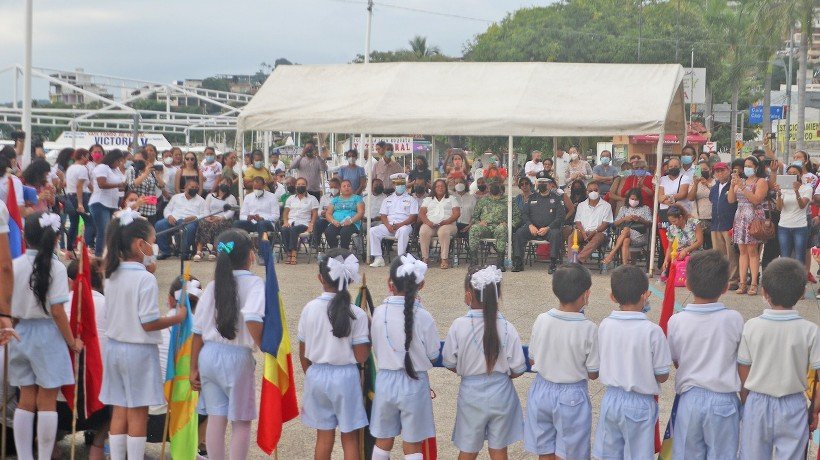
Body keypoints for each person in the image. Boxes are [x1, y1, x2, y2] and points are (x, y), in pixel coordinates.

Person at [100, 211, 186, 459]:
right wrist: (176, 318)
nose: (154, 246)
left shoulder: (111, 275)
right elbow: (148, 322)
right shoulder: (145, 279)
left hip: (115, 348)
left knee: (119, 409)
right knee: (138, 411)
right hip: (137, 352)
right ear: (140, 245)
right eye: (152, 240)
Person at [187, 230, 262, 460]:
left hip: (208, 356)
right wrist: (265, 344)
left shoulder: (211, 286)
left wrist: (192, 368)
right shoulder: (255, 283)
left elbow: (197, 332)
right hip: (237, 358)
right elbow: (253, 317)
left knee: (216, 417)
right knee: (240, 421)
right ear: (250, 255)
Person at [10, 212, 79, 460]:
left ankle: (25, 456)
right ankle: (44, 455)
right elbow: (59, 311)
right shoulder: (56, 268)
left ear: (25, 237)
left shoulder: (15, 265)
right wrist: (72, 341)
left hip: (19, 334)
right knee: (47, 400)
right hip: (48, 335)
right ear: (55, 237)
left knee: (25, 398)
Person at [738, 258, 820, 458]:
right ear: (801, 294)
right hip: (793, 404)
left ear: (765, 292)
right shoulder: (810, 330)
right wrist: (815, 410)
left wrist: (745, 398)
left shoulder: (752, 326)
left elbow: (743, 367)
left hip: (757, 400)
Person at [442, 265, 525, 459]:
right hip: (502, 393)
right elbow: (518, 368)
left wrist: (466, 370)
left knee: (468, 450)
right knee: (499, 451)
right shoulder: (507, 327)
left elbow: (449, 361)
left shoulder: (459, 326)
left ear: (469, 295)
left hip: (470, 393)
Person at [667, 250, 743, 459]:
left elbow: (675, 360)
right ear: (726, 287)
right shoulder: (734, 319)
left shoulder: (677, 321)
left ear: (688, 285)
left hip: (690, 399)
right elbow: (741, 359)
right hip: (724, 399)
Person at [593, 265, 672, 459]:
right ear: (645, 295)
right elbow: (662, 375)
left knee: (609, 454)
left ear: (613, 297)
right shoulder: (653, 331)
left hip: (611, 399)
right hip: (640, 402)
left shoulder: (605, 325)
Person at [297, 248, 369, 459]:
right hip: (345, 377)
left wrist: (311, 373)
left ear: (320, 277)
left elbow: (303, 350)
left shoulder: (309, 308)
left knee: (324, 436)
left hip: (317, 374)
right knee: (350, 437)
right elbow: (361, 356)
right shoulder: (357, 313)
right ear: (350, 279)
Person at [369, 255, 440, 460]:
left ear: (389, 284)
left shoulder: (379, 313)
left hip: (385, 381)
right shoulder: (424, 316)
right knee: (413, 443)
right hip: (414, 382)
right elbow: (434, 355)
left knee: (383, 440)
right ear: (422, 284)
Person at [525, 263, 598, 459]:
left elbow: (532, 358)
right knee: (569, 453)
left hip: (541, 391)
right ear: (586, 295)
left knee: (545, 450)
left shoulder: (542, 319)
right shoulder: (588, 328)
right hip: (572, 395)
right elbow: (593, 372)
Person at [728, 156, 769, 295]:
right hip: (740, 216)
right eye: (745, 165)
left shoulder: (761, 181)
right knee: (742, 251)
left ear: (756, 167)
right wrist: (733, 184)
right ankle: (742, 283)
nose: (746, 168)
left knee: (753, 251)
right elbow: (731, 200)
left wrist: (743, 186)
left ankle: (753, 283)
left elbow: (756, 200)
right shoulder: (742, 181)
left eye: (750, 166)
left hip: (753, 217)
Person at [512, 175, 566, 273]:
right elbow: (524, 214)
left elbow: (560, 217)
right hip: (533, 228)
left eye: (544, 183)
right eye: (540, 183)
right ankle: (518, 262)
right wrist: (530, 225)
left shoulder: (557, 198)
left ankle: (553, 263)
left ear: (550, 185)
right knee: (519, 233)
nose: (542, 185)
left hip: (549, 229)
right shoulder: (532, 197)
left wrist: (548, 228)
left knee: (556, 234)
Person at [468, 178, 521, 271]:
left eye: (496, 187)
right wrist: (478, 222)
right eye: (492, 187)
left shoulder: (509, 200)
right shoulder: (483, 200)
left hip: (501, 227)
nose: (494, 189)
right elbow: (475, 217)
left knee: (501, 229)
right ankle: (474, 262)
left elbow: (517, 217)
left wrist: (509, 224)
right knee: (474, 229)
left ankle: (500, 263)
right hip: (486, 227)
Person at [369, 174, 419, 267]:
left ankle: (400, 259)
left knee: (403, 231)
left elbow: (413, 217)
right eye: (397, 184)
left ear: (405, 184)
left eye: (402, 183)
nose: (400, 186)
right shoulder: (387, 199)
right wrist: (388, 226)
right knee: (373, 231)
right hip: (389, 226)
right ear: (393, 185)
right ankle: (378, 258)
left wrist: (400, 225)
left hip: (404, 225)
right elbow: (383, 215)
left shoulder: (412, 199)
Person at [155, 178, 206, 260]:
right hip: (174, 219)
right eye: (192, 187)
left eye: (196, 188)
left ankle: (184, 252)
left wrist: (195, 217)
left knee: (189, 228)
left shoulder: (201, 201)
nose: (194, 189)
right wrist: (169, 216)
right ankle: (165, 252)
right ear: (186, 187)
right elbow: (167, 209)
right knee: (159, 224)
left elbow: (204, 214)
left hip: (190, 221)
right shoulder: (176, 197)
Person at [89, 149, 126, 257]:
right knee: (103, 230)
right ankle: (99, 256)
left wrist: (122, 187)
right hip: (100, 203)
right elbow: (102, 184)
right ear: (113, 159)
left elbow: (120, 183)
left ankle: (108, 255)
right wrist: (118, 185)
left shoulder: (116, 170)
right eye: (118, 161)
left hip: (112, 204)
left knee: (110, 231)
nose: (119, 164)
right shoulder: (102, 167)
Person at [709, 162, 740, 290]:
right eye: (717, 171)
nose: (719, 173)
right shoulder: (714, 187)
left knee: (731, 254)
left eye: (722, 170)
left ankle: (733, 280)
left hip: (729, 224)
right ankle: (721, 278)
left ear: (728, 170)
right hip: (716, 224)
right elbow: (712, 200)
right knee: (718, 254)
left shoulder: (733, 185)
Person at [602, 188, 652, 267]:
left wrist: (640, 219)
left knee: (625, 230)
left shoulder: (645, 208)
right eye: (632, 199)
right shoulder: (624, 209)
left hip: (640, 235)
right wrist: (624, 219)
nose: (634, 201)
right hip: (625, 236)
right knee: (626, 240)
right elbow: (615, 223)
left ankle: (611, 254)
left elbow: (650, 223)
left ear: (639, 199)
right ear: (628, 198)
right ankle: (626, 266)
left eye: (636, 199)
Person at [567, 181, 613, 265]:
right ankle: (571, 260)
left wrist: (594, 232)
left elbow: (605, 223)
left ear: (599, 191)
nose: (593, 192)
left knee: (597, 238)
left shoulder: (606, 206)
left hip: (599, 233)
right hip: (583, 231)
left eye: (595, 190)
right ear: (587, 192)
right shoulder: (581, 205)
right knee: (572, 237)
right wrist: (583, 232)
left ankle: (579, 260)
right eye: (590, 190)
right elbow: (578, 221)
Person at [418, 179, 460, 268]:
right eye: (437, 186)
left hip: (448, 224)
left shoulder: (451, 199)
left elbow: (457, 213)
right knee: (423, 231)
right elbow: (421, 213)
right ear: (434, 188)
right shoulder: (428, 199)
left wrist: (446, 222)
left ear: (445, 188)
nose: (440, 188)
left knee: (443, 231)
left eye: (442, 186)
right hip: (430, 224)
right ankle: (425, 258)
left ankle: (444, 259)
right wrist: (428, 223)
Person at [775, 164, 812, 262]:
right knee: (784, 257)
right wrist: (778, 194)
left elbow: (802, 206)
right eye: (789, 173)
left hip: (800, 226)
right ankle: (786, 277)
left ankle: (799, 277)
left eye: (794, 173)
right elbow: (779, 208)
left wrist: (796, 192)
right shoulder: (783, 188)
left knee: (799, 257)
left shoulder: (807, 188)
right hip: (784, 226)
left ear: (800, 175)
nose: (791, 175)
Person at [194, 182, 237, 262]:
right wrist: (207, 217)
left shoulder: (231, 198)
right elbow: (206, 208)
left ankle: (214, 250)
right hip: (211, 217)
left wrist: (221, 218)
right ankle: (199, 251)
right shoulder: (210, 196)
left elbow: (231, 212)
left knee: (219, 225)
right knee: (203, 223)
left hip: (224, 218)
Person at [281, 178, 320, 265]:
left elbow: (314, 213)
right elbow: (286, 212)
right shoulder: (290, 198)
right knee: (284, 229)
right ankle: (288, 253)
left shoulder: (312, 198)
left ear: (306, 186)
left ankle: (293, 253)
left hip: (304, 223)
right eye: (298, 184)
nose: (300, 186)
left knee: (294, 229)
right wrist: (285, 221)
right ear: (295, 186)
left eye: (302, 184)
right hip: (291, 222)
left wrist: (312, 224)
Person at [234, 176, 281, 247]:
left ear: (263, 186)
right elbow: (242, 215)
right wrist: (247, 218)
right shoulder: (248, 197)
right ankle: (238, 249)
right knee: (237, 223)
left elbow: (276, 216)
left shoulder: (272, 197)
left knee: (261, 224)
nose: (257, 190)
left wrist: (262, 218)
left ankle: (262, 252)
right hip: (252, 222)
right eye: (255, 188)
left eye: (259, 188)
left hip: (267, 223)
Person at [65, 148, 95, 255]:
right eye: (87, 156)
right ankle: (88, 247)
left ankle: (69, 249)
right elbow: (79, 186)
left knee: (74, 223)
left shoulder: (70, 168)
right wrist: (80, 203)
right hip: (81, 196)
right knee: (90, 222)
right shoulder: (82, 169)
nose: (88, 159)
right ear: (82, 156)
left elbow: (86, 184)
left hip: (70, 196)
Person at [661, 204, 704, 274]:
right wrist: (666, 260)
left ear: (680, 217)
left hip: (696, 253)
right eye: (671, 222)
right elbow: (670, 248)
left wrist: (686, 250)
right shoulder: (672, 228)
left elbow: (699, 242)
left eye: (674, 221)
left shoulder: (693, 223)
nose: (673, 224)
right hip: (680, 255)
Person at [125, 150, 164, 223]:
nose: (137, 163)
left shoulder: (151, 171)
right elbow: (131, 186)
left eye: (140, 160)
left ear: (147, 160)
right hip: (138, 209)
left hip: (151, 209)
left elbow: (161, 187)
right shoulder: (132, 170)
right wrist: (145, 174)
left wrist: (158, 175)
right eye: (135, 161)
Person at [324, 179, 364, 250]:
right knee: (328, 231)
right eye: (344, 186)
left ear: (351, 188)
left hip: (352, 224)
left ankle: (344, 253)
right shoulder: (335, 199)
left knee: (344, 231)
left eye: (348, 186)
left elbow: (360, 212)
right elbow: (328, 213)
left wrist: (350, 221)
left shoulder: (357, 198)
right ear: (340, 189)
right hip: (337, 223)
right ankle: (335, 253)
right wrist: (333, 221)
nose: (346, 187)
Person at [686, 160, 714, 250]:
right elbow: (690, 198)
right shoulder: (694, 183)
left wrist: (707, 184)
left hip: (712, 218)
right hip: (698, 219)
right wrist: (696, 183)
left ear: (710, 170)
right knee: (699, 245)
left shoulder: (715, 182)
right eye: (700, 170)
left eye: (705, 169)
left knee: (711, 245)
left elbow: (716, 196)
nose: (703, 171)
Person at [312, 177, 340, 248]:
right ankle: (317, 245)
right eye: (331, 187)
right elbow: (319, 211)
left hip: (336, 220)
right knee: (317, 223)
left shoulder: (342, 198)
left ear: (339, 186)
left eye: (335, 187)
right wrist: (322, 212)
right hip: (325, 219)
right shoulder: (324, 197)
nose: (333, 189)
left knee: (330, 230)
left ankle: (333, 248)